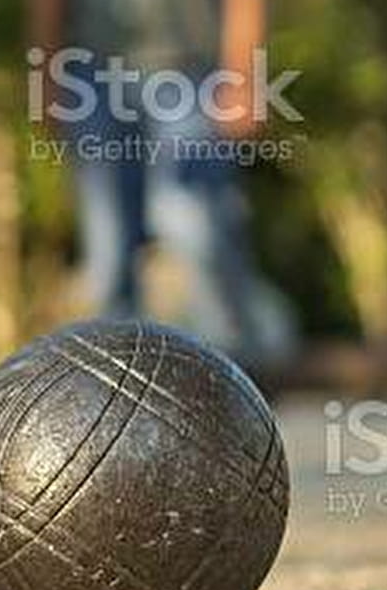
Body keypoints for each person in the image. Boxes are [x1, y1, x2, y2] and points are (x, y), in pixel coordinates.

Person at [29, 0, 279, 368]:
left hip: (187, 69)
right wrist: (47, 77)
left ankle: (236, 373)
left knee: (195, 225)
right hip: (91, 71)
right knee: (108, 248)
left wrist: (244, 76)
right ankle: (113, 383)